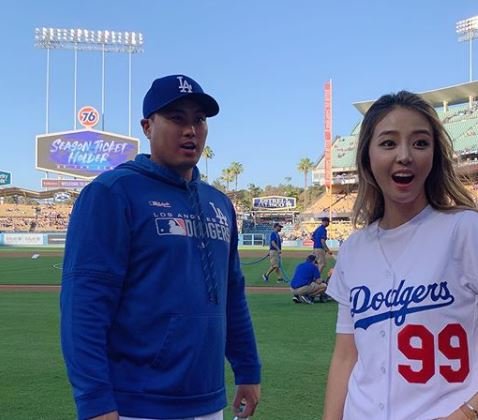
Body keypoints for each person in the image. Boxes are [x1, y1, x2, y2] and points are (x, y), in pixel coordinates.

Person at [60, 74, 261, 420]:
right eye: (177, 118)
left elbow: (232, 293)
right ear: (147, 126)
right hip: (137, 404)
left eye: (199, 119)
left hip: (208, 400)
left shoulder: (219, 203)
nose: (190, 130)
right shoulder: (112, 193)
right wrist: (94, 401)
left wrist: (247, 369)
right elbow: (84, 305)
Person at [322, 91, 478, 420]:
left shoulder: (465, 230)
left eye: (420, 143)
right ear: (366, 157)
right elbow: (345, 357)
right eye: (389, 143)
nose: (405, 155)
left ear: (434, 155)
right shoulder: (353, 249)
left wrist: (466, 413)